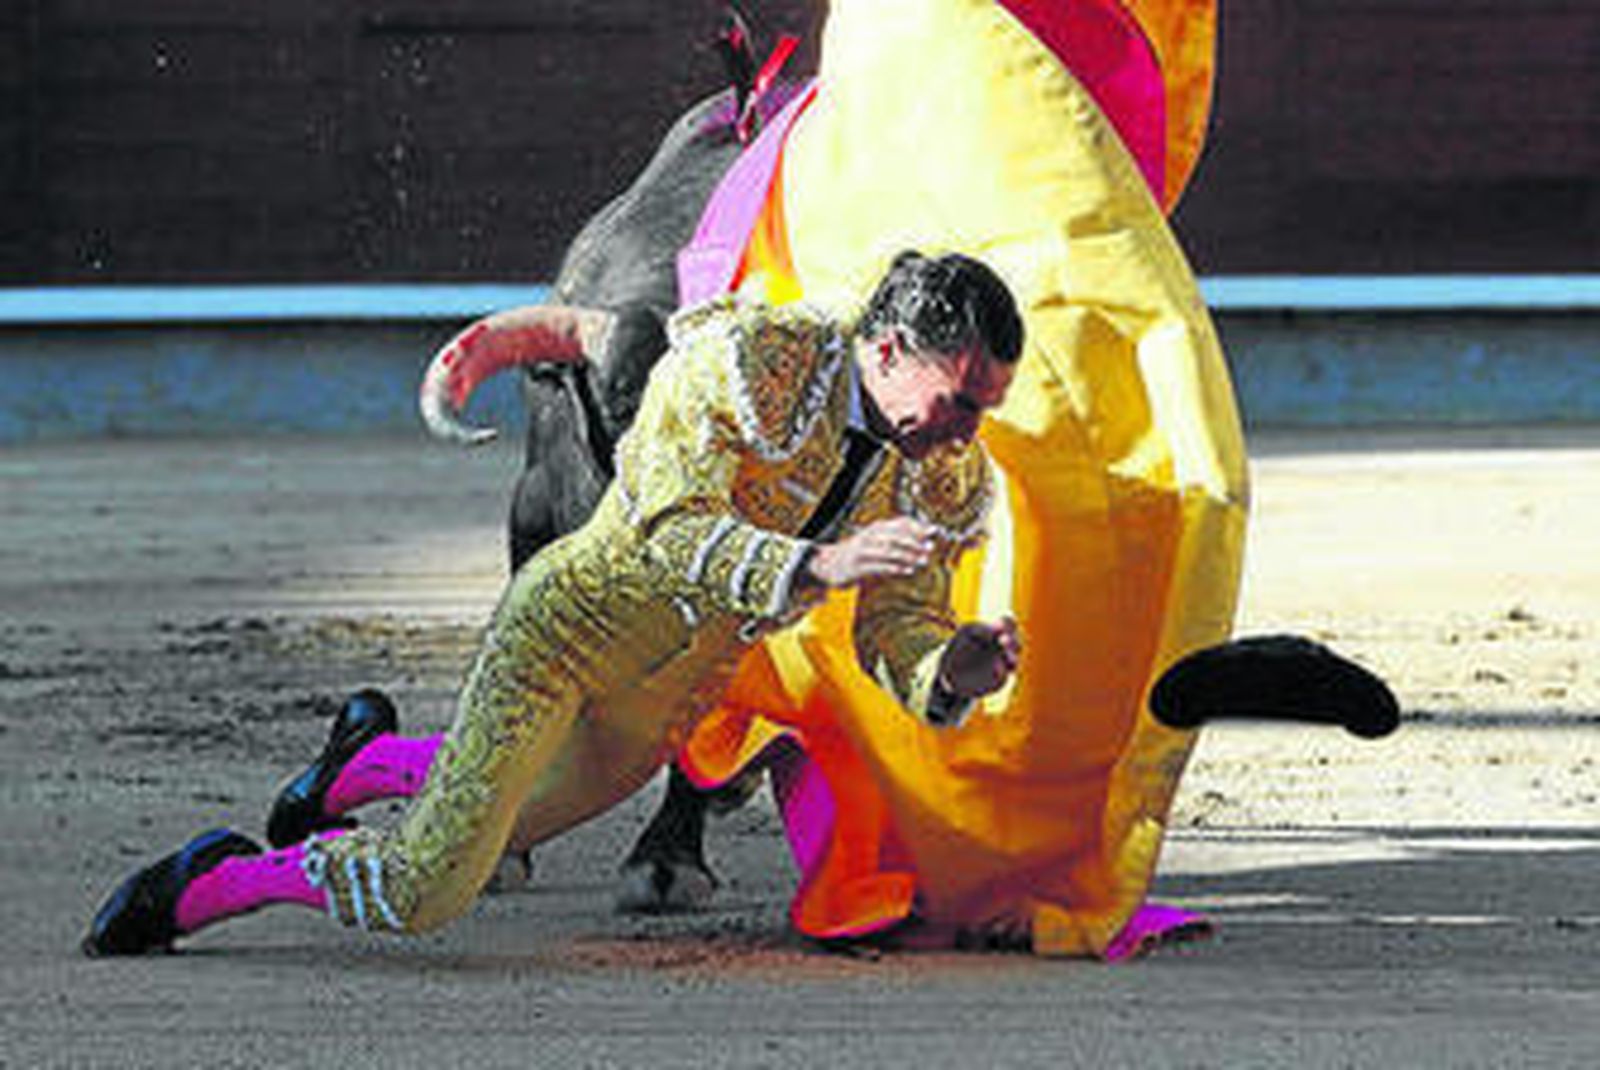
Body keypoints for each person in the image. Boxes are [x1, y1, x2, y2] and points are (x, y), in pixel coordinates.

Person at [83, 250, 1025, 954]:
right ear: (892, 350)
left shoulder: (940, 474)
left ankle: (363, 763)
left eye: (984, 408)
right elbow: (669, 523)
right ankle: (223, 879)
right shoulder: (747, 358)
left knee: (485, 825)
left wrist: (949, 666)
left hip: (663, 706)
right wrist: (822, 564)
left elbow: (898, 619)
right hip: (564, 636)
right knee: (429, 884)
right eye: (959, 401)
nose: (966, 433)